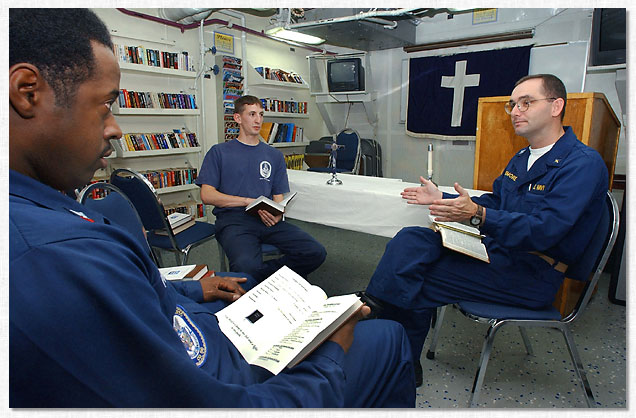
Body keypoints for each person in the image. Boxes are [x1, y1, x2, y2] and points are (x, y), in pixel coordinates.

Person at [9, 8, 415, 407]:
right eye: (105, 105)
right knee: (386, 336)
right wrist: (330, 353)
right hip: (229, 364)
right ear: (27, 92)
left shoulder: (52, 213)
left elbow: (141, 298)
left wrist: (190, 287)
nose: (115, 128)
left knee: (292, 259)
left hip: (212, 308)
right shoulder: (52, 255)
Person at [362, 74, 609, 387]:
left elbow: (546, 231)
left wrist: (478, 215)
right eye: (513, 104)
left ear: (556, 106)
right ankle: (387, 333)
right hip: (500, 255)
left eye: (526, 102)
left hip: (533, 274)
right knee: (412, 238)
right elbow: (496, 201)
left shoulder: (582, 163)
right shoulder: (523, 157)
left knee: (411, 277)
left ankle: (382, 335)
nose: (516, 111)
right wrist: (443, 198)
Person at [196, 95, 326, 282]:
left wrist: (278, 212)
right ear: (238, 118)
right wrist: (247, 201)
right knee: (245, 265)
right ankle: (263, 279)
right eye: (252, 114)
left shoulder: (274, 155)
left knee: (315, 252)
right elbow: (207, 195)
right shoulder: (219, 152)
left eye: (261, 114)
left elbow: (278, 195)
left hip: (266, 218)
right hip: (234, 220)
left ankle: (262, 279)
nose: (258, 120)